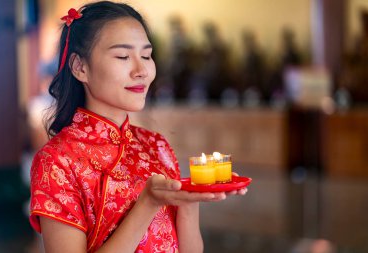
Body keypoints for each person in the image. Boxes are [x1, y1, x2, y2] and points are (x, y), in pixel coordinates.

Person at [29, 2, 247, 252]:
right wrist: (148, 203)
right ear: (80, 67)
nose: (142, 70)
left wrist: (188, 201)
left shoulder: (156, 146)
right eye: (123, 56)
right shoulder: (57, 161)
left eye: (146, 55)